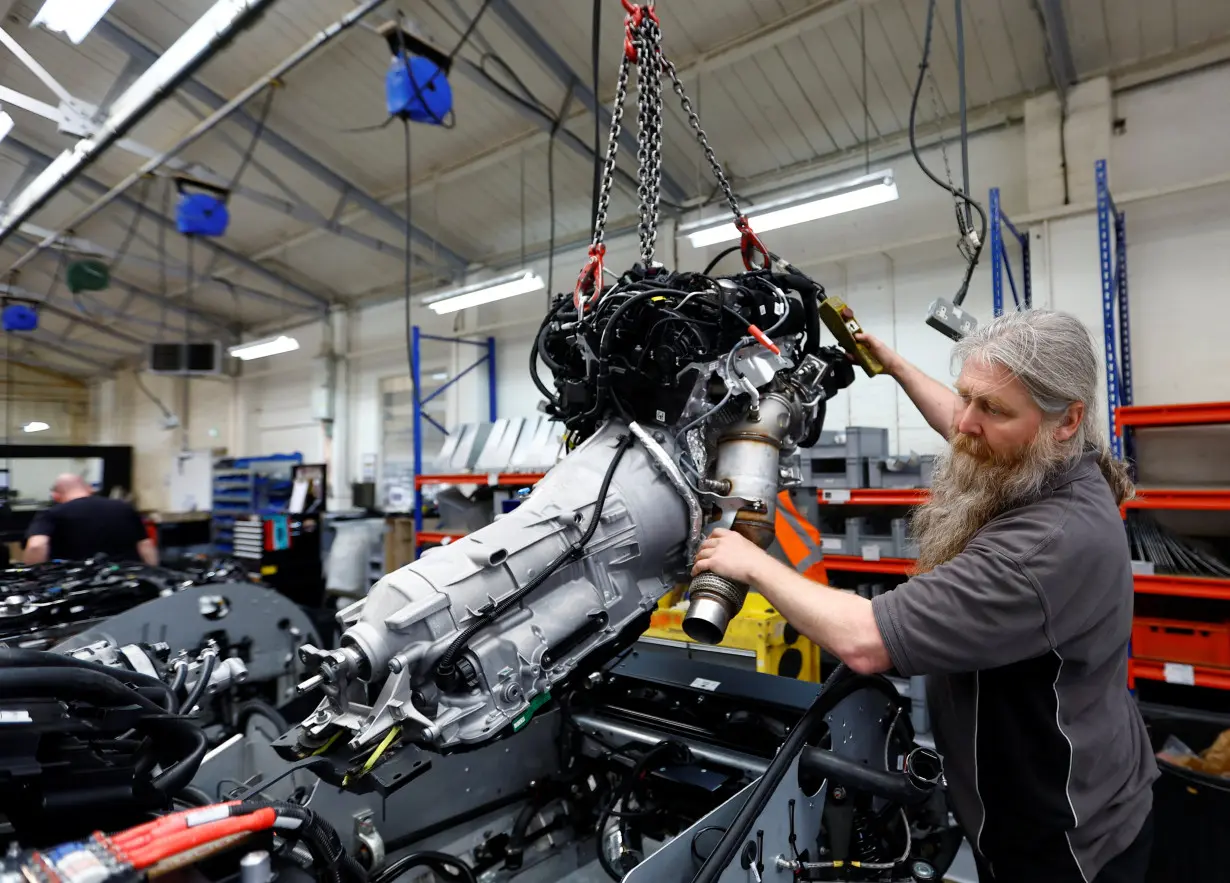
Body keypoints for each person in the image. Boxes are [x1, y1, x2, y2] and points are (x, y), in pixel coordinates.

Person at [692, 310, 1157, 883]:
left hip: (1061, 839)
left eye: (992, 408)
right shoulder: (1052, 461)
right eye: (968, 397)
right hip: (1083, 777)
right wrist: (895, 367)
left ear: (1066, 421)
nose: (966, 421)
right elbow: (966, 428)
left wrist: (751, 562)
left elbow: (865, 641)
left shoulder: (1044, 549)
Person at [23, 474, 158, 566]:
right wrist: (154, 574)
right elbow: (145, 545)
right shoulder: (124, 507)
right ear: (90, 489)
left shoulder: (51, 513)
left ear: (56, 496)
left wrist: (34, 579)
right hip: (127, 580)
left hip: (79, 584)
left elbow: (36, 546)